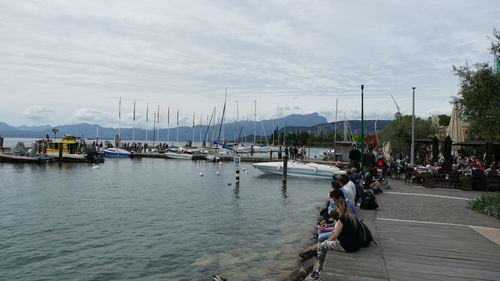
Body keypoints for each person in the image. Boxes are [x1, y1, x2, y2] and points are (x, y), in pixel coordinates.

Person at [311, 200, 360, 278]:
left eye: (337, 208)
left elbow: (335, 236)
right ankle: (319, 268)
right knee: (327, 243)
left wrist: (326, 241)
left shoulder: (342, 219)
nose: (336, 210)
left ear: (340, 208)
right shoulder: (353, 217)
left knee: (321, 246)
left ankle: (319, 270)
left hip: (346, 247)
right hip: (355, 245)